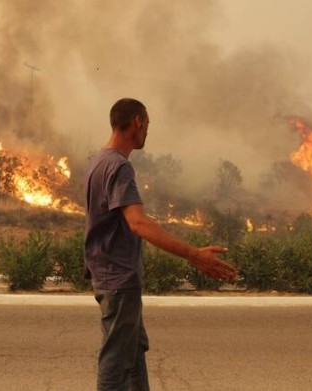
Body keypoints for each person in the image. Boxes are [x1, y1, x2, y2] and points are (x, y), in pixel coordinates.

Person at [84, 98, 237, 390]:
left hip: (110, 275)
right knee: (115, 362)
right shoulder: (119, 167)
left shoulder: (98, 162)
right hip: (118, 279)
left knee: (133, 353)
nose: (148, 132)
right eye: (148, 125)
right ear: (137, 122)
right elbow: (138, 223)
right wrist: (195, 255)